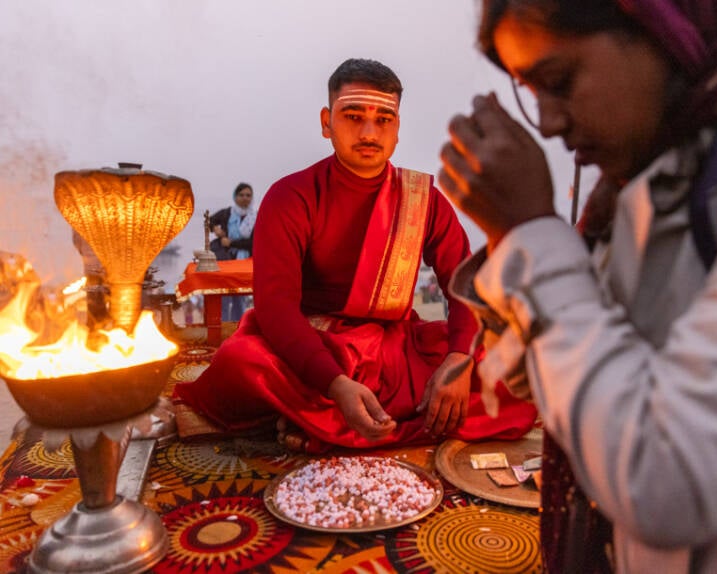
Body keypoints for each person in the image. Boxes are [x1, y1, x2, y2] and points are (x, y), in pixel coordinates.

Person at [439, 1, 717, 572]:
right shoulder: (652, 170)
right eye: (532, 96)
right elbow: (558, 385)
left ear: (663, 25)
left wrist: (530, 233)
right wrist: (510, 237)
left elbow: (669, 479)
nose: (551, 125)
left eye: (559, 82)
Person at [176, 58, 537, 453]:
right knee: (240, 359)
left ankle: (318, 426)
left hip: (396, 350)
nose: (369, 132)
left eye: (384, 119)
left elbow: (466, 287)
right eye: (353, 116)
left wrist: (458, 359)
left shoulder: (422, 200)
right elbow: (275, 307)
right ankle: (351, 422)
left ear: (397, 129)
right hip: (317, 348)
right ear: (327, 122)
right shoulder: (291, 197)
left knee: (513, 366)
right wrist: (335, 383)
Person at [209, 182, 256, 321]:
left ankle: (238, 327)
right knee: (223, 295)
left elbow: (255, 242)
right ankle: (223, 326)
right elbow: (209, 220)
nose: (245, 198)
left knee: (240, 298)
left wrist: (232, 242)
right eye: (241, 195)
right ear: (235, 197)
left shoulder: (256, 218)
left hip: (245, 262)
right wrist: (215, 229)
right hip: (226, 260)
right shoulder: (227, 213)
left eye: (248, 195)